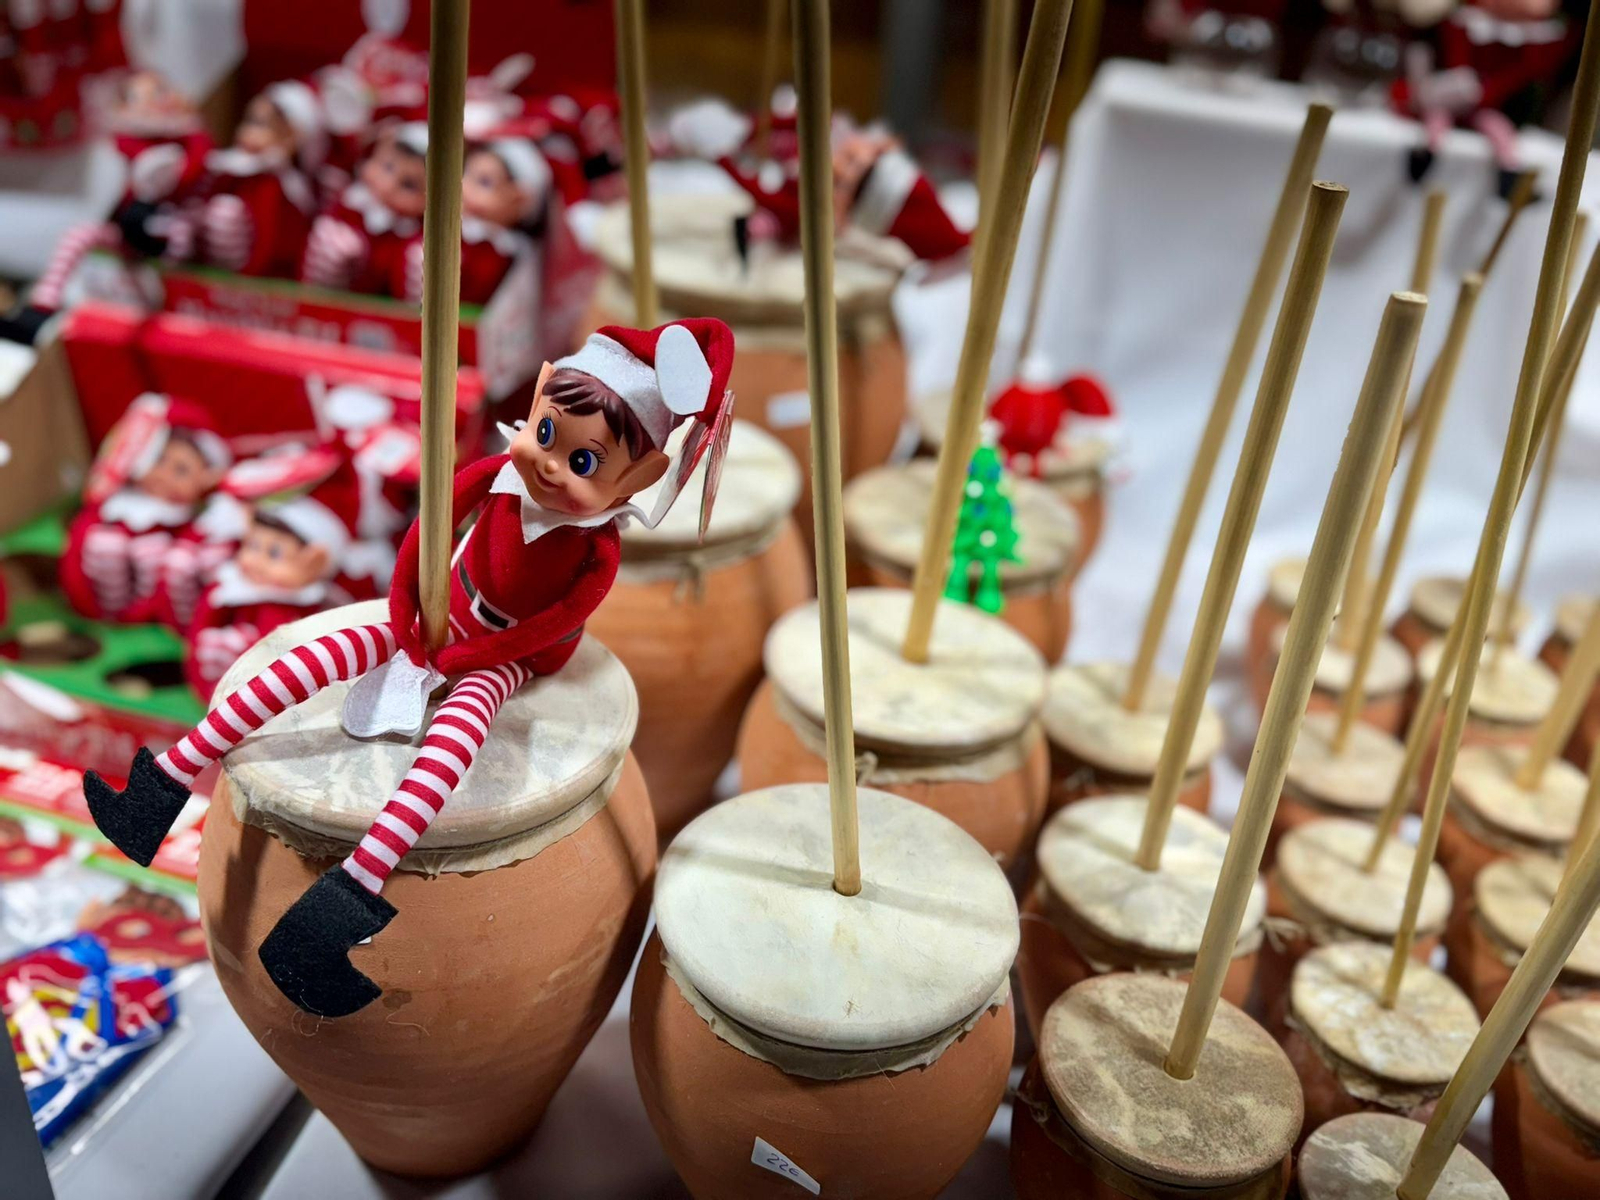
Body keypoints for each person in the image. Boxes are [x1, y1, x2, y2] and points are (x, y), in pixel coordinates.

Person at [84, 319, 736, 1018]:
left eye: (585, 463)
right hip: (437, 611)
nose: (550, 464)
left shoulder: (597, 551)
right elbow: (425, 536)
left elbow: (555, 624)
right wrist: (405, 620)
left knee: (447, 753)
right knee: (315, 660)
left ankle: (334, 915)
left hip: (504, 656)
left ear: (639, 477)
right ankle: (161, 787)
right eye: (547, 434)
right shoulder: (495, 477)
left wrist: (469, 658)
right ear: (541, 391)